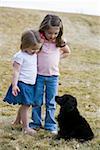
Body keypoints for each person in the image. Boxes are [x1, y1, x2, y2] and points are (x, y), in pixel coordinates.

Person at [29, 14, 71, 134]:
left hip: (53, 77)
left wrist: (58, 58)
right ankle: (35, 123)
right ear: (44, 30)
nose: (52, 36)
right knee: (37, 101)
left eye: (55, 33)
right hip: (39, 76)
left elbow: (67, 52)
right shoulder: (40, 41)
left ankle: (50, 124)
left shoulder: (59, 42)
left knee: (51, 101)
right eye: (50, 33)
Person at [3, 30, 43, 136]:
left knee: (25, 105)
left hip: (31, 84)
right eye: (33, 49)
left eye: (37, 48)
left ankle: (17, 121)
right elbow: (16, 71)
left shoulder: (33, 54)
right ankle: (26, 127)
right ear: (25, 46)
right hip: (22, 83)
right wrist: (15, 85)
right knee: (26, 105)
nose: (35, 51)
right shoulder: (20, 56)